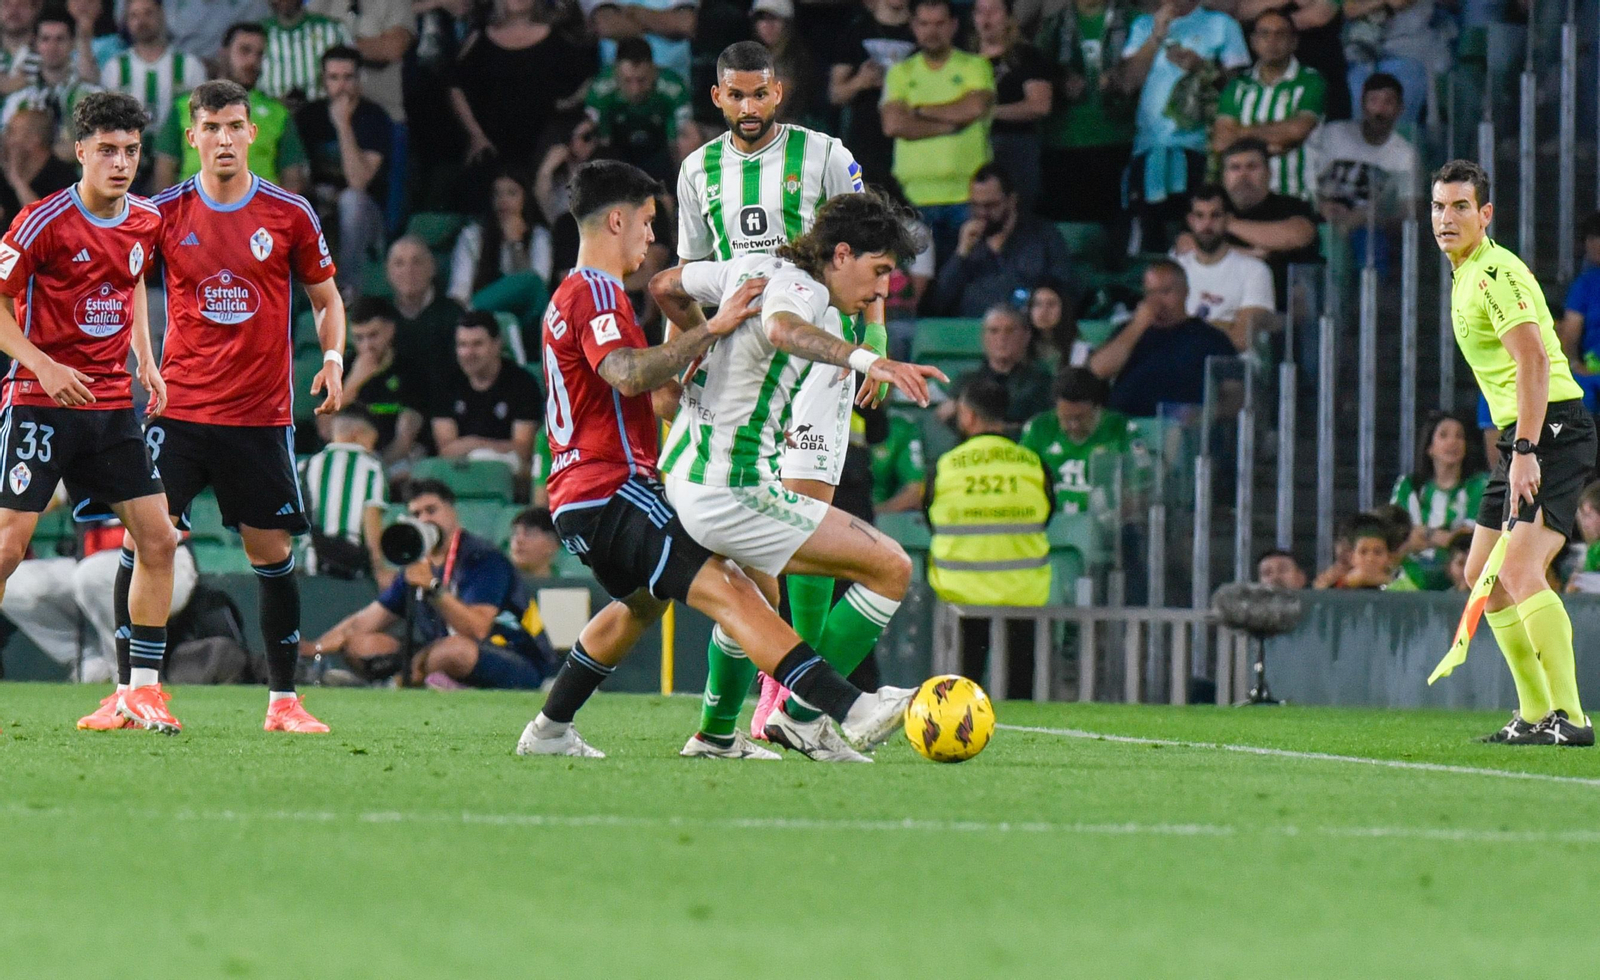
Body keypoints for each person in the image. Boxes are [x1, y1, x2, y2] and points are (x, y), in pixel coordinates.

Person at [517, 159, 917, 759]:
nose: (652, 238)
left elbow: (660, 316)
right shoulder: (596, 292)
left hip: (592, 491)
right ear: (618, 219)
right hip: (614, 489)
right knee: (736, 592)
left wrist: (691, 371)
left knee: (647, 605)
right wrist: (713, 332)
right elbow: (626, 373)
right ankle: (843, 706)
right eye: (648, 223)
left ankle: (554, 729)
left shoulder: (575, 294)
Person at [651, 187, 944, 761]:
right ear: (840, 254)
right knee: (890, 568)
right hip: (729, 490)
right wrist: (870, 359)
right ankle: (803, 713)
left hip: (688, 473)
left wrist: (694, 353)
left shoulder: (754, 265)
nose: (883, 290)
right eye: (878, 270)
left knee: (753, 599)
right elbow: (785, 329)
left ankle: (714, 736)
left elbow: (664, 284)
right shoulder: (804, 289)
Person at [676, 41, 891, 752]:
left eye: (759, 95)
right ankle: (737, 720)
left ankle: (790, 700)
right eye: (735, 96)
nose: (747, 108)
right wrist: (695, 345)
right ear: (718, 98)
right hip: (745, 362)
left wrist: (876, 333)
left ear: (779, 92)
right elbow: (687, 274)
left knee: (804, 523)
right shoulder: (696, 171)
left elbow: (867, 239)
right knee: (753, 559)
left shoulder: (825, 153)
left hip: (822, 350)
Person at [126, 78, 346, 734]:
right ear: (191, 138)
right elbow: (127, 280)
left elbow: (327, 300)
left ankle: (283, 702)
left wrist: (333, 360)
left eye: (235, 127)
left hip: (259, 415)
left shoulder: (290, 214)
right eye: (211, 128)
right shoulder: (161, 211)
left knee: (270, 551)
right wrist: (146, 360)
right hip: (181, 410)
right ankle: (131, 690)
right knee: (148, 537)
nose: (224, 139)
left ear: (253, 134)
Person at [0, 94, 178, 732]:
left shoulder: (145, 222)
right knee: (7, 549)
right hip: (39, 402)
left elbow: (128, 285)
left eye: (130, 150)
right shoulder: (40, 221)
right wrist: (42, 362)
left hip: (109, 406)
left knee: (159, 540)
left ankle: (142, 693)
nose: (121, 162)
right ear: (80, 152)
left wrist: (147, 362)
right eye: (107, 149)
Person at [1436, 158, 1595, 746]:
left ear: (1485, 214)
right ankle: (1532, 714)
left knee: (1522, 568)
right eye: (1438, 206)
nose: (1446, 218)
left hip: (1551, 429)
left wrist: (1525, 448)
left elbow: (1532, 360)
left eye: (1459, 207)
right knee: (1482, 573)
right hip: (1523, 435)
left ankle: (1573, 718)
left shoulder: (1495, 273)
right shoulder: (1466, 272)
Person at [309, 479, 555, 689]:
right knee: (361, 644)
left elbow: (477, 630)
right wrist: (314, 648)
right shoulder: (416, 563)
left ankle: (404, 681)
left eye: (431, 510)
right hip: (439, 654)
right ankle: (427, 680)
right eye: (416, 514)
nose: (425, 519)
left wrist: (434, 588)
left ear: (452, 512)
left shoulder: (483, 557)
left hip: (516, 656)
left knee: (454, 651)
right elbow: (362, 623)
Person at [926, 376, 1053, 698]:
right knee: (1021, 689)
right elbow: (1047, 516)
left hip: (961, 594)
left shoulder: (946, 465)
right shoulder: (1034, 464)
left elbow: (932, 519)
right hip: (1023, 594)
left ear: (967, 415)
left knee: (959, 691)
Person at [1115, 0, 1248, 252]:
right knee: (1147, 237)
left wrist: (1203, 68)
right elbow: (1127, 84)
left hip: (1202, 152)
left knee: (1197, 238)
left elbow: (1238, 91)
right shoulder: (1143, 25)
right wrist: (1156, 35)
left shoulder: (1222, 25)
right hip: (1149, 150)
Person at [880, 0, 995, 263]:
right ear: (913, 26)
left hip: (967, 196)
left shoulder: (975, 66)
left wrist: (918, 111)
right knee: (917, 287)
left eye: (940, 24)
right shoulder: (900, 72)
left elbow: (974, 107)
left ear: (954, 25)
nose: (932, 31)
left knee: (968, 275)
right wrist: (951, 123)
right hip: (912, 198)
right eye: (924, 24)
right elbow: (894, 124)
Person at [448, 0, 595, 188]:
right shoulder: (480, 37)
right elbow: (455, 84)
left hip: (545, 148)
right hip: (493, 149)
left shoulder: (559, 38)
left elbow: (586, 83)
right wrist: (475, 134)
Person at [152, 22, 308, 191]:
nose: (252, 61)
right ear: (224, 53)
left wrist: (277, 216)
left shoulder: (278, 113)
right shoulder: (185, 106)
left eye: (259, 54)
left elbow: (293, 177)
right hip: (195, 209)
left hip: (258, 211)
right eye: (245, 51)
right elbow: (164, 170)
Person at [1088, 259, 1235, 418]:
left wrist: (1201, 416)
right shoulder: (1128, 331)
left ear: (1185, 292)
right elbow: (1097, 370)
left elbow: (1234, 395)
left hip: (1181, 430)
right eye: (1150, 293)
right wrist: (1137, 326)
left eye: (1165, 292)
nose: (1156, 301)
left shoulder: (1211, 339)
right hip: (1125, 427)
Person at [296, 45, 388, 297]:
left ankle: (348, 290)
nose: (341, 86)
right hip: (319, 203)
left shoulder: (374, 117)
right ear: (323, 80)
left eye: (348, 77)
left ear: (360, 79)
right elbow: (296, 176)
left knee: (351, 200)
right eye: (334, 78)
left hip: (365, 212)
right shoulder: (308, 116)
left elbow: (358, 182)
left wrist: (343, 125)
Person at [1034, 0, 1135, 227]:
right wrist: (1060, 81)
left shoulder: (1133, 20)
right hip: (1063, 142)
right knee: (1072, 232)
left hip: (1118, 138)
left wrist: (1119, 80)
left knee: (1115, 231)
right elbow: (1037, 71)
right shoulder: (1053, 25)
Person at [931, 163, 1073, 318]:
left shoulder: (1044, 236)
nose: (982, 213)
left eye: (990, 205)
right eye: (975, 205)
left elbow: (1064, 292)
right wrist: (961, 254)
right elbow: (938, 302)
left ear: (1011, 200)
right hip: (972, 330)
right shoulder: (965, 242)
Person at [1211, 9, 1325, 201]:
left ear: (1294, 42)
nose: (1272, 41)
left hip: (1296, 194)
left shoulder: (1311, 81)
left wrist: (1242, 133)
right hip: (1243, 199)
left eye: (1280, 34)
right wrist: (1273, 142)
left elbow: (1297, 130)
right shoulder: (1237, 85)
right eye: (1265, 34)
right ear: (1253, 42)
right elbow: (1221, 141)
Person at [1306, 72, 1416, 268]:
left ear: (1400, 109)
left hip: (1365, 227)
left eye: (1388, 102)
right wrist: (1320, 205)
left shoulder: (1405, 154)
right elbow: (1304, 179)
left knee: (1373, 244)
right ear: (1362, 105)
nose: (1380, 110)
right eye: (1373, 101)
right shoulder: (1333, 134)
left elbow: (1408, 212)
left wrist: (1366, 218)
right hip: (1319, 213)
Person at [1209, 137, 1320, 306]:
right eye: (1235, 168)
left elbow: (1299, 235)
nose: (1243, 175)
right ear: (1224, 177)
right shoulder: (1209, 208)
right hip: (1219, 302)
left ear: (1269, 173)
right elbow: (1186, 247)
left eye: (1252, 167)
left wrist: (1228, 224)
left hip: (1281, 307)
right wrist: (1251, 254)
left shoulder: (1292, 206)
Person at [429, 311, 540, 475]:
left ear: (497, 344)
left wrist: (474, 445)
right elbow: (446, 450)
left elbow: (522, 450)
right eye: (462, 345)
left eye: (477, 344)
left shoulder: (522, 383)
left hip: (507, 473)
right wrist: (487, 447)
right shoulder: (446, 382)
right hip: (459, 470)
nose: (468, 353)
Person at [1389, 413, 1486, 591]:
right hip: (1410, 579)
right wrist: (1441, 537)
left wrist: (1425, 534)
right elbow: (1396, 535)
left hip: (1464, 581)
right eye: (1444, 435)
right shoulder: (1408, 486)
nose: (1453, 442)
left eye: (1459, 436)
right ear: (1429, 447)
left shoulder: (1479, 485)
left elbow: (1471, 537)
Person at [1173, 183, 1275, 351]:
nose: (1207, 224)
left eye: (1215, 216)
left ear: (1228, 220)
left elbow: (1241, 339)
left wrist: (1185, 330)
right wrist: (1223, 325)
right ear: (1190, 221)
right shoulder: (1176, 267)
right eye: (1200, 216)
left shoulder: (1255, 271)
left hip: (1231, 369)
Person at [971, 0, 1051, 211]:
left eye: (994, 11)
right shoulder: (963, 59)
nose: (986, 18)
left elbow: (1039, 105)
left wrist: (988, 112)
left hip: (1015, 147)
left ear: (1008, 17)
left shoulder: (1027, 57)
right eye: (980, 11)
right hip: (970, 147)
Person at [1019, 367, 1132, 514]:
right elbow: (1022, 480)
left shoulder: (1120, 429)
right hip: (1048, 523)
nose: (1073, 425)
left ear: (1097, 408)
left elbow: (1137, 484)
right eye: (1065, 418)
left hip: (1104, 524)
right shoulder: (1038, 428)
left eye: (1080, 417)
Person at [829, 0, 914, 187]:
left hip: (912, 141)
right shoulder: (856, 31)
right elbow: (835, 94)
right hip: (865, 143)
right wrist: (860, 81)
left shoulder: (924, 29)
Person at [585, 37, 692, 184]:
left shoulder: (673, 88)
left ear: (654, 71)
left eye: (641, 80)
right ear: (616, 73)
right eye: (628, 81)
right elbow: (600, 139)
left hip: (660, 151)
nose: (635, 90)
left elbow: (677, 140)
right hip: (617, 152)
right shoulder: (600, 91)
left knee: (690, 138)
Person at [300, 403, 387, 582]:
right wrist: (380, 569)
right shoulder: (371, 468)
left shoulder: (304, 467)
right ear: (358, 434)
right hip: (352, 570)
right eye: (372, 440)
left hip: (312, 568)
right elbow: (371, 519)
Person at [98, 0, 207, 139]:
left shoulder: (190, 66)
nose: (141, 21)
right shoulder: (114, 68)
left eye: (148, 13)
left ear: (162, 15)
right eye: (134, 15)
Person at [938, 304, 1054, 432]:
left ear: (1026, 336)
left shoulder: (1041, 381)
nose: (1002, 338)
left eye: (1010, 330)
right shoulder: (965, 381)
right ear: (983, 337)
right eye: (994, 331)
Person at [450, 168, 552, 312]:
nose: (503, 200)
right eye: (497, 194)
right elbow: (459, 289)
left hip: (524, 314)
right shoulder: (472, 235)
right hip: (481, 313)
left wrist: (516, 244)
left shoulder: (539, 236)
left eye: (512, 193)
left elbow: (538, 286)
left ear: (525, 199)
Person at [338, 296, 424, 466]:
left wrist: (376, 469)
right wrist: (354, 383)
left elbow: (406, 437)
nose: (366, 346)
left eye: (373, 335)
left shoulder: (410, 370)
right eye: (359, 338)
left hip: (394, 462)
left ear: (390, 330)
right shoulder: (341, 368)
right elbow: (325, 428)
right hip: (348, 460)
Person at [305, 0, 413, 128]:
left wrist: (341, 44)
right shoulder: (320, 3)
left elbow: (394, 48)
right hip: (325, 120)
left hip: (384, 117)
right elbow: (303, 41)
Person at [1, 10, 101, 132]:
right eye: (45, 39)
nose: (52, 47)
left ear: (72, 43)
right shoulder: (19, 99)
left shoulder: (91, 94)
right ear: (35, 44)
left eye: (60, 39)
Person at [384, 234, 465, 382]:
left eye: (417, 262)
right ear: (388, 272)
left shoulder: (454, 314)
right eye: (399, 263)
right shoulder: (380, 315)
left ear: (432, 268)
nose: (408, 270)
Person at [578, 0, 695, 85]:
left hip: (674, 92)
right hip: (614, 94)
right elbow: (607, 25)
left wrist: (633, 12)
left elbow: (685, 24)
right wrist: (663, 21)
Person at [259, 0, 349, 106]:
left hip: (323, 114)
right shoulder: (256, 34)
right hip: (268, 117)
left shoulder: (332, 30)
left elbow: (352, 78)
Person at [746, 0, 815, 128]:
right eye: (762, 19)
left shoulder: (793, 58)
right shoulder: (754, 56)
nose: (767, 25)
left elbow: (772, 111)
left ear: (787, 23)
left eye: (774, 19)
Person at [0, 108, 76, 220]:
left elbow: (44, 222)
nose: (6, 138)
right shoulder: (6, 174)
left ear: (34, 140)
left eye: (12, 132)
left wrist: (18, 182)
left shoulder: (63, 179)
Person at [1560, 212, 1600, 411]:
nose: (1594, 244)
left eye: (1598, 238)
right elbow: (1570, 334)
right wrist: (1575, 364)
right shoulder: (1584, 284)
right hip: (1593, 374)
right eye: (1590, 238)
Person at [871, 412, 925, 513]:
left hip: (880, 517)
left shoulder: (900, 427)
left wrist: (870, 517)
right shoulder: (836, 422)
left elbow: (915, 491)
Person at [1027, 277, 1085, 365]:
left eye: (1051, 304)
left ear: (1064, 309)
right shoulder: (1021, 346)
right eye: (1037, 304)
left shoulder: (1079, 349)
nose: (1044, 311)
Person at [509, 505, 559, 576]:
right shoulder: (497, 584)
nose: (519, 540)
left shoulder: (569, 585)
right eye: (515, 533)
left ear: (553, 545)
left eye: (530, 533)